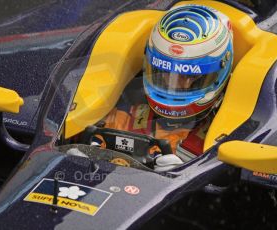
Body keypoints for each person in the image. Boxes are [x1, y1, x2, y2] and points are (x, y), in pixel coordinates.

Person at [93, 4, 233, 172]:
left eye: (193, 76)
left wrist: (186, 175)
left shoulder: (224, 138)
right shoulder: (125, 118)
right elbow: (91, 142)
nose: (179, 85)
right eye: (166, 71)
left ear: (220, 72)